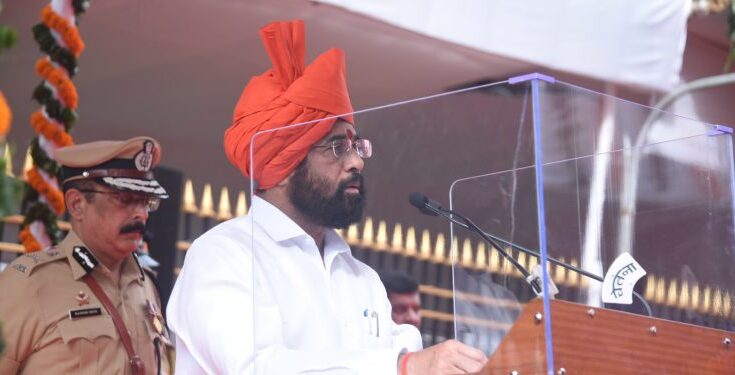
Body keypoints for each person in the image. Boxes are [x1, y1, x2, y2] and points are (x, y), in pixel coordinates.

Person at [167, 20, 487, 374]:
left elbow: (404, 356)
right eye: (337, 147)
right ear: (284, 164)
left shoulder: (362, 278)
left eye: (356, 145)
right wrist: (403, 366)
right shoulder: (223, 255)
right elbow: (256, 367)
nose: (356, 162)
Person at [0, 137, 173, 374]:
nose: (141, 214)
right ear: (76, 204)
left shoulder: (147, 286)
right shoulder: (29, 283)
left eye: (146, 202)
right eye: (124, 199)